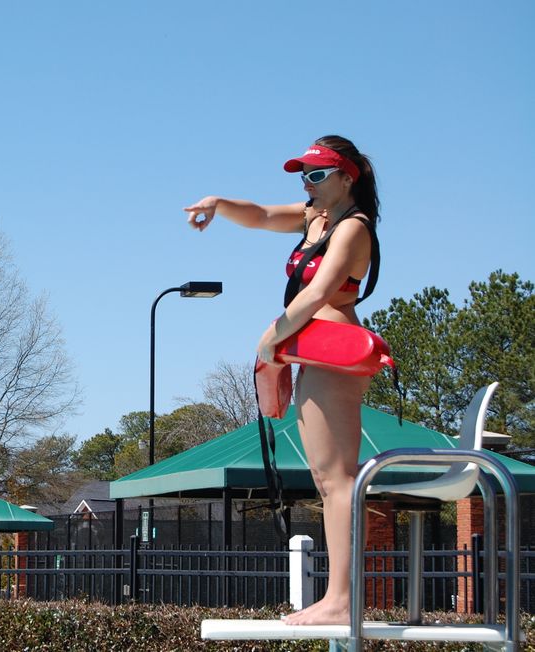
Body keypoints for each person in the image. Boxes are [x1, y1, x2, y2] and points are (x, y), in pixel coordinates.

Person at [184, 135, 381, 626]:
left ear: (346, 177)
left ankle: (341, 598)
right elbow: (262, 215)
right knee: (324, 478)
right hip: (312, 352)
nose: (307, 183)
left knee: (338, 479)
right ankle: (338, 596)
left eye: (316, 174)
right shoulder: (316, 216)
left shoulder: (354, 228)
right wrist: (219, 204)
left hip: (334, 352)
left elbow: (318, 293)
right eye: (302, 175)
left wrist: (271, 338)